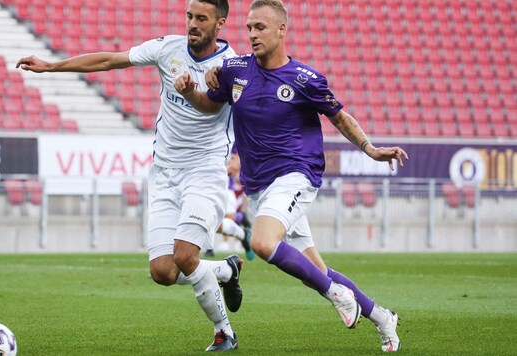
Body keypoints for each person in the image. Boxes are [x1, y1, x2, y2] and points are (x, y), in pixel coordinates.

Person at [174, 0, 408, 352]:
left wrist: (371, 150)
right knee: (317, 272)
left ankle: (337, 295)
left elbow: (340, 117)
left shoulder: (305, 79)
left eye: (261, 27)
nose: (252, 34)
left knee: (263, 243)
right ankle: (382, 317)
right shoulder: (234, 69)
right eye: (249, 27)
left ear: (281, 30)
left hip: (297, 175)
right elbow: (212, 103)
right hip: (259, 186)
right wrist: (193, 90)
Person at [16, 0, 242, 351]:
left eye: (202, 18)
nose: (192, 24)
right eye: (189, 16)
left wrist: (190, 91)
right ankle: (226, 271)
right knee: (163, 272)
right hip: (165, 173)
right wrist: (51, 67)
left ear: (220, 23)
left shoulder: (231, 66)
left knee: (185, 256)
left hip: (205, 170)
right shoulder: (167, 48)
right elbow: (109, 60)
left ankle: (224, 332)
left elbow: (212, 107)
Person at [207, 148, 255, 260]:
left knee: (226, 218)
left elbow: (234, 167)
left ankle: (242, 222)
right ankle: (242, 232)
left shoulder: (230, 138)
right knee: (208, 220)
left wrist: (219, 170)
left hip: (224, 188)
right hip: (204, 187)